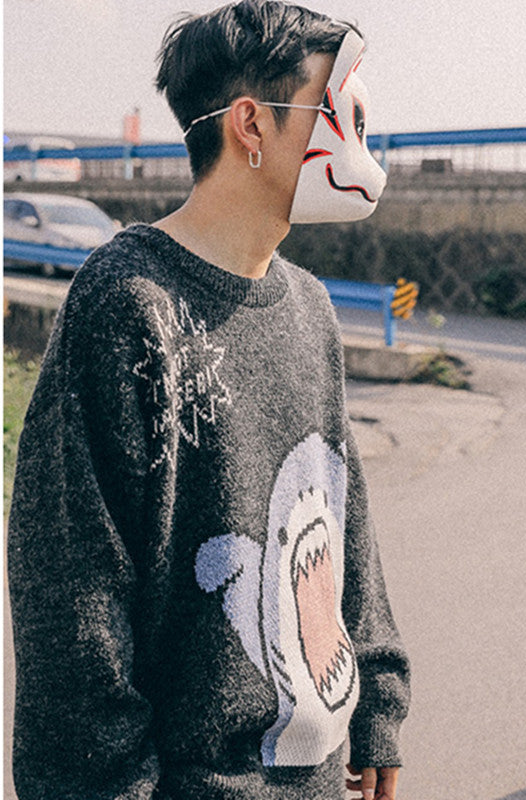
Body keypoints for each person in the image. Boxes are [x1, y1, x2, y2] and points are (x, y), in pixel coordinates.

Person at [7, 3, 409, 799]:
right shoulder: (126, 302)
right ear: (251, 125)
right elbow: (72, 590)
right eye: (339, 111)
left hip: (320, 776)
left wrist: (377, 705)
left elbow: (344, 518)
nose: (359, 140)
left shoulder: (312, 308)